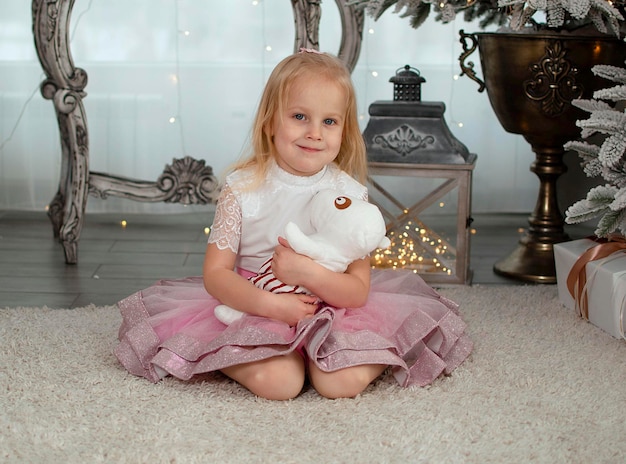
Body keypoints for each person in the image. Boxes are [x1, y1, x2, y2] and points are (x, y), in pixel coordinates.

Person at [115, 50, 472, 400]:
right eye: (300, 116)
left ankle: (360, 352)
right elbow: (216, 276)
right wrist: (271, 307)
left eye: (329, 121)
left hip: (333, 308)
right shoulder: (242, 188)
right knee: (281, 384)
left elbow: (357, 291)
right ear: (271, 121)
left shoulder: (348, 194)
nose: (315, 133)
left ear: (344, 131)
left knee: (339, 384)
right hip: (255, 302)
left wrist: (308, 274)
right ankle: (228, 350)